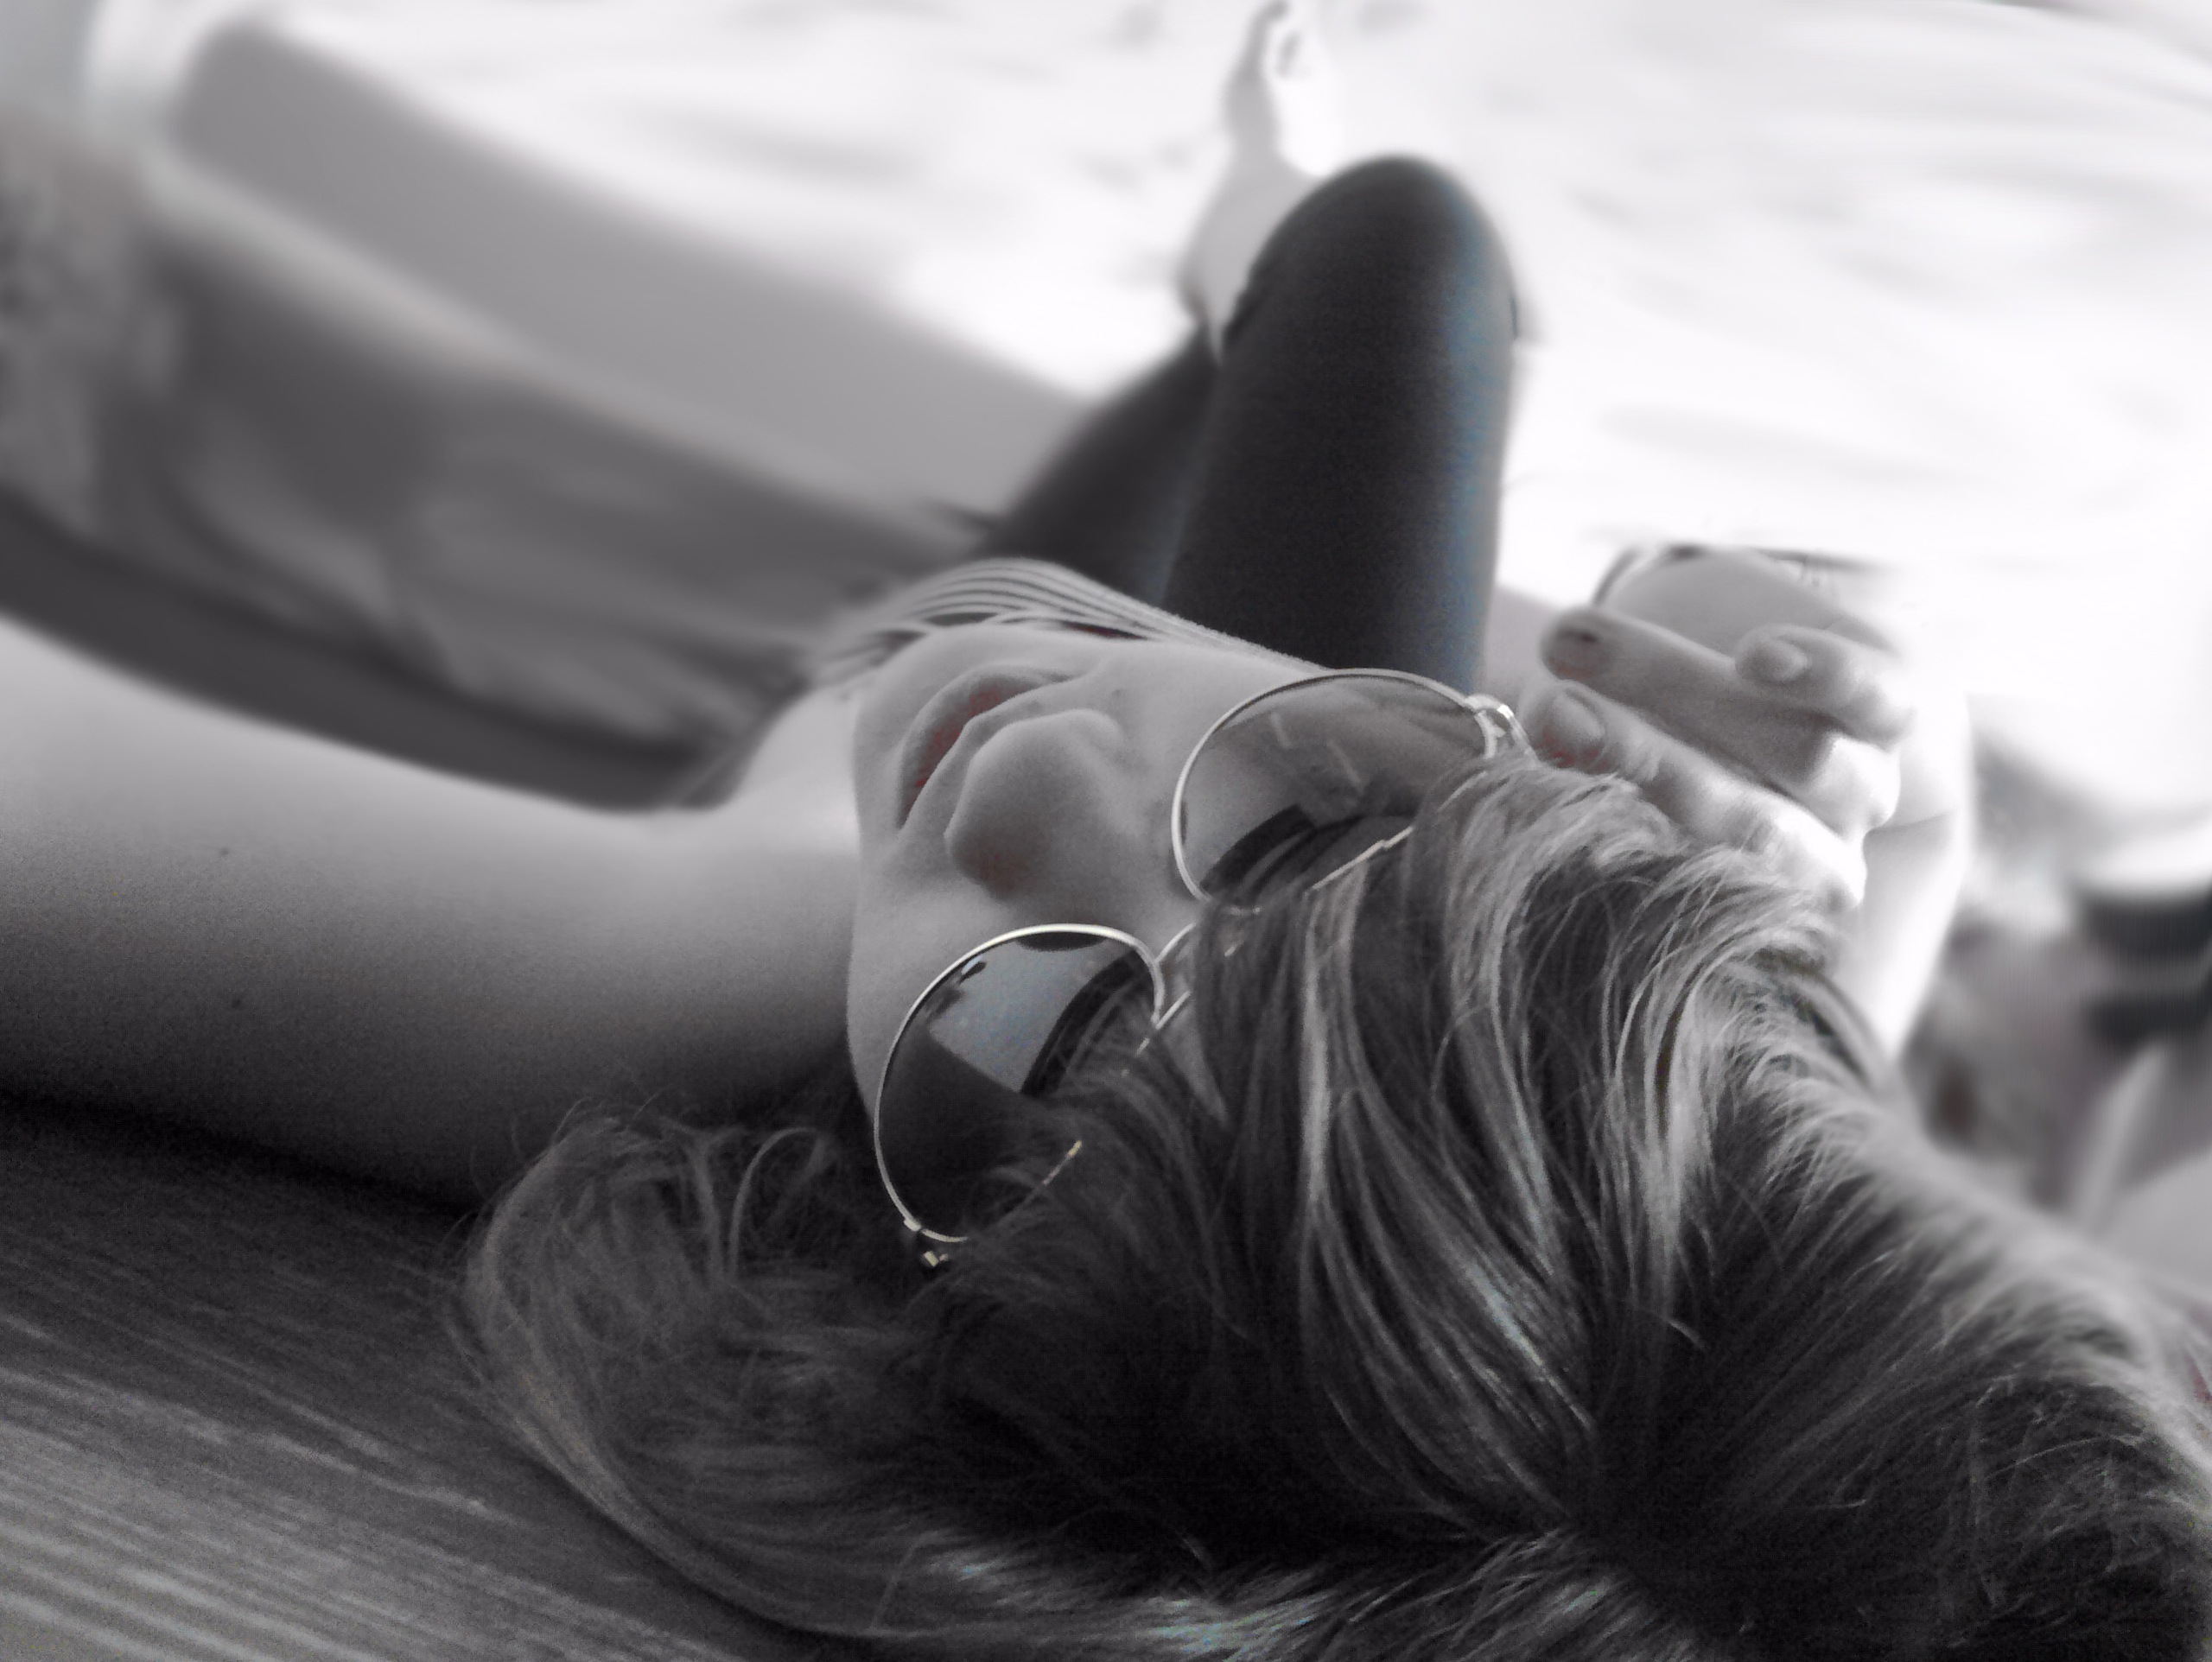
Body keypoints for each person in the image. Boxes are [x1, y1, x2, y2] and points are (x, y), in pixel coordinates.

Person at [3, 3, 2208, 1652]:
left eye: (1039, 1047)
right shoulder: (1651, 1269)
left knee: (1328, 332)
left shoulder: (662, 988)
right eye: (1320, 820)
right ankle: (1249, 250)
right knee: (1397, 255)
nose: (1028, 784)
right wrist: (1887, 799)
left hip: (830, 770)